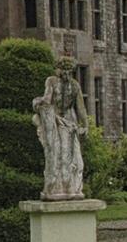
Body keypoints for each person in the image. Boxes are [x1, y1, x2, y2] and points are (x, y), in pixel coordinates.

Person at [33, 59, 88, 200]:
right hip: (56, 122)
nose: (65, 73)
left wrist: (85, 125)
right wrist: (38, 103)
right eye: (63, 69)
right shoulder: (51, 81)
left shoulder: (75, 86)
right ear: (58, 70)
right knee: (57, 154)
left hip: (70, 124)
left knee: (72, 157)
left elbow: (80, 108)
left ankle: (71, 188)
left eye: (68, 70)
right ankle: (58, 187)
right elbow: (47, 99)